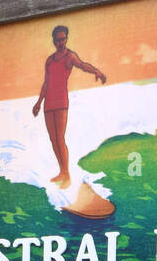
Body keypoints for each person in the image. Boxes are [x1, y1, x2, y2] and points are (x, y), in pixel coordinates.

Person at [32, 25, 106, 186]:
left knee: (60, 138)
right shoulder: (50, 60)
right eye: (58, 40)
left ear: (66, 39)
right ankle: (62, 172)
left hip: (61, 102)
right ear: (53, 41)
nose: (61, 42)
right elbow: (46, 83)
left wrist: (96, 71)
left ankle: (67, 175)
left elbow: (82, 65)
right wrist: (38, 103)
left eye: (63, 39)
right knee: (53, 139)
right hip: (48, 103)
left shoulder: (70, 56)